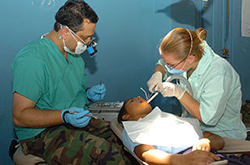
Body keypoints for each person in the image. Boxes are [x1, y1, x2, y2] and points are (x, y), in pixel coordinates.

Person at [11, 1, 128, 164]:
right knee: (107, 154)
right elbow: (20, 116)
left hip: (70, 121)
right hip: (40, 133)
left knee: (121, 141)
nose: (89, 42)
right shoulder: (33, 60)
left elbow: (63, 92)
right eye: (85, 37)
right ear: (65, 32)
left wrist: (86, 94)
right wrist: (63, 116)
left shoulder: (73, 56)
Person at [147, 27, 247, 139]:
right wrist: (158, 74)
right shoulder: (185, 60)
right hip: (194, 129)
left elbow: (207, 118)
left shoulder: (219, 72)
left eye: (171, 65)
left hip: (223, 135)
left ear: (189, 58)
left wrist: (179, 92)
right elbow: (162, 63)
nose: (168, 67)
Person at [117, 96, 225, 165]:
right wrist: (184, 160)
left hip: (212, 157)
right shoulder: (133, 129)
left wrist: (205, 141)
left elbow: (219, 142)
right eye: (132, 101)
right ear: (126, 117)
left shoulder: (169, 119)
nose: (139, 97)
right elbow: (147, 154)